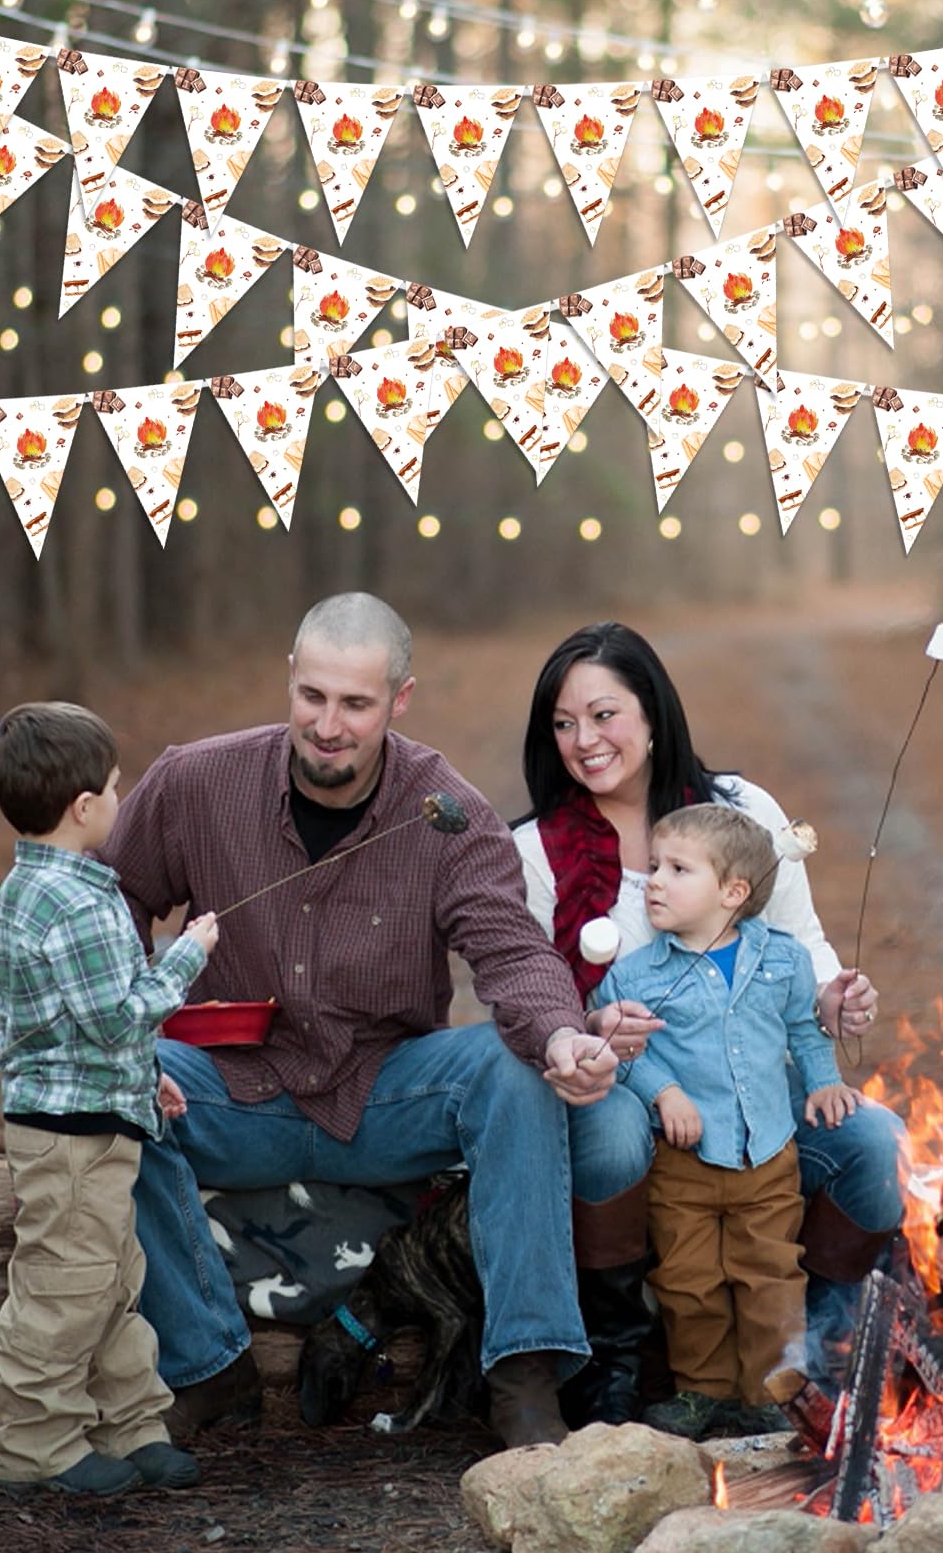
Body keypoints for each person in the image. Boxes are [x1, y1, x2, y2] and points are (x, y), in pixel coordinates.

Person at [97, 594, 642, 1450]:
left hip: (385, 1089)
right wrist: (125, 1036)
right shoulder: (195, 782)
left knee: (513, 1068)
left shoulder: (446, 811)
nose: (328, 725)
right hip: (233, 1084)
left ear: (400, 699)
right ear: (289, 680)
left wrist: (560, 1034)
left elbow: (511, 951)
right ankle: (209, 1368)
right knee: (107, 1087)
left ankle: (525, 1373)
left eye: (355, 704)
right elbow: (113, 900)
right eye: (312, 696)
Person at [512, 622, 908, 1396]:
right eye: (562, 723)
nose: (582, 740)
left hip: (748, 1090)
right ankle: (617, 1355)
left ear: (654, 715)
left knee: (876, 1145)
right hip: (626, 1098)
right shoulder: (535, 851)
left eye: (603, 715)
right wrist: (591, 1031)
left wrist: (833, 999)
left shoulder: (738, 811)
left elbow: (802, 948)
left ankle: (811, 1347)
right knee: (618, 1126)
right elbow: (532, 999)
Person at [0, 702, 217, 1501]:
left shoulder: (41, 887)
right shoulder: (77, 905)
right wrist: (187, 958)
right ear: (84, 808)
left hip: (95, 1116)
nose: (123, 799)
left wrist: (144, 1076)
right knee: (64, 1289)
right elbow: (118, 1013)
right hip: (70, 1139)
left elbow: (80, 1029)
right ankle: (35, 1442)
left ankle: (131, 1425)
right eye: (116, 787)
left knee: (116, 1280)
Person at [589, 803, 862, 1440]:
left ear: (733, 892)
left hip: (767, 1156)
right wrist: (665, 1094)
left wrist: (822, 1080)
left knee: (769, 1274)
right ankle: (701, 1390)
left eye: (677, 869)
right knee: (690, 1280)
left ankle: (769, 1394)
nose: (653, 880)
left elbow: (803, 1028)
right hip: (684, 1162)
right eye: (655, 865)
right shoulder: (635, 974)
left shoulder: (783, 961)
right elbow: (623, 1053)